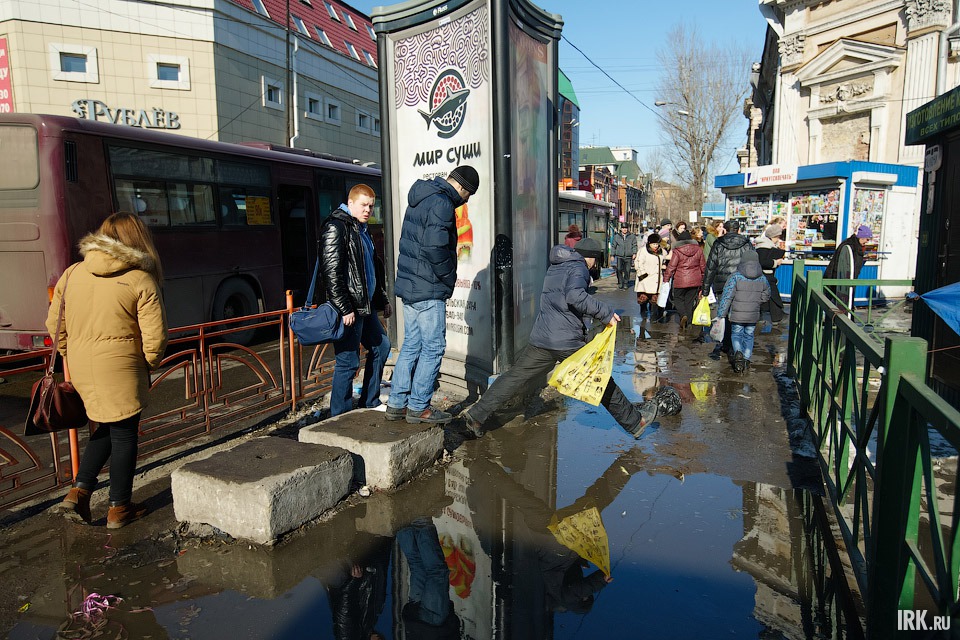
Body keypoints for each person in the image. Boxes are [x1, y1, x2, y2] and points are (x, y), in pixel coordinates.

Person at [461, 238, 658, 439]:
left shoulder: (557, 266)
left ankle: (476, 415)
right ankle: (635, 422)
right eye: (595, 260)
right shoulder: (579, 268)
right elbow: (574, 296)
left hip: (543, 337)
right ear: (591, 258)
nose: (594, 265)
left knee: (514, 377)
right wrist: (606, 313)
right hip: (566, 340)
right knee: (599, 379)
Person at [51, 213, 168, 529]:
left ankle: (78, 492)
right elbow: (155, 338)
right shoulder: (139, 279)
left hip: (82, 368)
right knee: (124, 433)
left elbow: (54, 324)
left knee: (104, 426)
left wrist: (70, 355)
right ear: (138, 240)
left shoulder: (73, 272)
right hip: (122, 368)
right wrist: (147, 364)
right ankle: (119, 508)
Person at [387, 165, 478, 425]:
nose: (465, 201)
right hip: (429, 288)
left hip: (411, 285)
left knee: (412, 345)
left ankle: (396, 403)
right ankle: (418, 407)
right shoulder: (442, 203)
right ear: (461, 187)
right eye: (468, 195)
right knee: (433, 347)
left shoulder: (422, 196)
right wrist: (448, 276)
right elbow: (435, 248)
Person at [319, 184, 392, 417]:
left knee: (382, 347)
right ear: (350, 203)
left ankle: (369, 401)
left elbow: (371, 269)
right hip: (350, 308)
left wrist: (382, 299)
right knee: (348, 362)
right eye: (363, 205)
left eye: (371, 205)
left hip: (365, 306)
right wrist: (344, 307)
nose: (368, 209)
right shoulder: (336, 227)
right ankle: (339, 414)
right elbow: (331, 273)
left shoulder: (361, 229)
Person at [701, 219, 757, 358]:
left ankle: (727, 343)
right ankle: (735, 344)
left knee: (724, 313)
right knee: (738, 313)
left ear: (725, 229)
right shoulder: (746, 244)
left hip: (722, 284)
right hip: (742, 283)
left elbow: (711, 267)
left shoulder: (718, 243)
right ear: (738, 230)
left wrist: (706, 289)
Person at [716, 253, 770, 373]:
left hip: (737, 314)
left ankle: (738, 353)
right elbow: (767, 294)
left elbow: (727, 296)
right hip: (753, 314)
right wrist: (757, 301)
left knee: (736, 334)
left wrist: (721, 313)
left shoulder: (735, 277)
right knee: (749, 336)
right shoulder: (762, 278)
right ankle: (746, 359)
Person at [663, 229, 705, 331]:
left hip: (680, 280)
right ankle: (688, 322)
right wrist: (703, 280)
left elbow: (671, 267)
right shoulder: (699, 250)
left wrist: (666, 279)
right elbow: (703, 266)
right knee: (689, 302)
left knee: (678, 300)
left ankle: (683, 315)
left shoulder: (677, 251)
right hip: (695, 280)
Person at [824, 224, 873, 303]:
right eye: (867, 239)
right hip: (840, 282)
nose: (868, 241)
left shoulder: (856, 246)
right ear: (861, 237)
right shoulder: (849, 246)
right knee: (838, 305)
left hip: (848, 282)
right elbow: (839, 265)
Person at [754, 223, 786, 331]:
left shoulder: (766, 245)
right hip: (765, 275)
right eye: (778, 237)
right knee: (772, 295)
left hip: (766, 275)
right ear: (773, 236)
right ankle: (777, 317)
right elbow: (762, 261)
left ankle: (775, 317)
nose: (778, 239)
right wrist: (775, 262)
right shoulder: (764, 246)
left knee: (768, 297)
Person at [634, 233, 666, 322]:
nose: (655, 246)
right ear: (649, 243)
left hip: (656, 280)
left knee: (654, 300)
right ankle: (643, 315)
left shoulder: (661, 251)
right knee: (643, 299)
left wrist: (663, 265)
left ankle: (653, 318)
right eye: (653, 244)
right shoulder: (643, 251)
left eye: (657, 244)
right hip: (645, 279)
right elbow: (639, 263)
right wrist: (643, 275)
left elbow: (666, 258)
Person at [610, 223, 637, 290]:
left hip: (628, 256)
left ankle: (625, 283)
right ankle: (620, 282)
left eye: (626, 228)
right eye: (623, 228)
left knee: (627, 270)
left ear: (627, 229)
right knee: (619, 269)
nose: (624, 229)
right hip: (620, 256)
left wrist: (634, 253)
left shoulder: (632, 236)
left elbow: (634, 245)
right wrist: (612, 255)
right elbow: (613, 246)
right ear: (621, 229)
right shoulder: (617, 236)